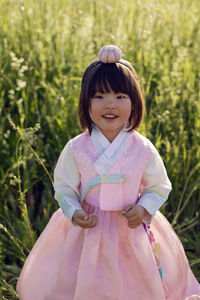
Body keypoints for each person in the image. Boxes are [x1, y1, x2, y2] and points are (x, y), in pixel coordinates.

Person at [16, 45, 200, 300]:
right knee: (81, 278)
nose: (110, 105)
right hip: (88, 227)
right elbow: (65, 187)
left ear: (134, 102)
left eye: (120, 96)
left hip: (129, 225)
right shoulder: (77, 148)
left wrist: (144, 208)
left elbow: (158, 186)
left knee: (133, 282)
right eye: (100, 96)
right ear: (86, 102)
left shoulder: (142, 148)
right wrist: (74, 211)